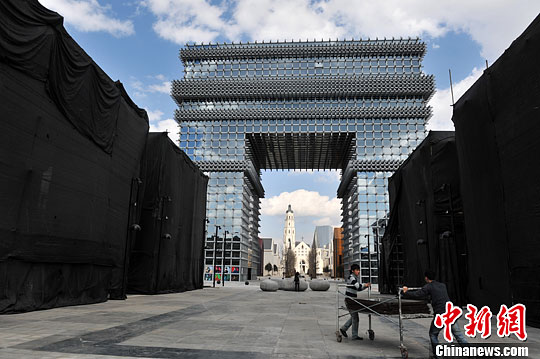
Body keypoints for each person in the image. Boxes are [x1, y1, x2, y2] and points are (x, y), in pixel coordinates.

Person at [402, 270, 468, 358]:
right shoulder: (442, 285)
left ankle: (437, 355)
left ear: (426, 278)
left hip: (441, 315)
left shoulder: (428, 287)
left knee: (433, 334)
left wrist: (405, 292)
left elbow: (417, 294)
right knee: (459, 335)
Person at [340, 264, 370, 340]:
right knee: (355, 317)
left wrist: (365, 286)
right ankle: (353, 334)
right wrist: (365, 285)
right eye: (357, 270)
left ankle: (345, 329)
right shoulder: (351, 278)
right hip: (350, 300)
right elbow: (359, 287)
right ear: (353, 271)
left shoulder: (354, 278)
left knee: (354, 317)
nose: (358, 271)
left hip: (352, 300)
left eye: (359, 270)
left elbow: (358, 289)